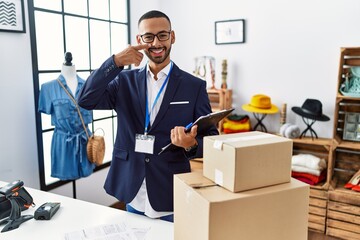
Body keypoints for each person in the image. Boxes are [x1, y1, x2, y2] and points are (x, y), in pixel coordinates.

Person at [77, 10, 218, 222]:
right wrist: (114, 62)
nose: (156, 43)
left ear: (172, 36)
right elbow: (85, 99)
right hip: (132, 186)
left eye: (162, 35)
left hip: (170, 188)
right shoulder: (123, 81)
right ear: (139, 40)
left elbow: (210, 138)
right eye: (148, 37)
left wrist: (190, 144)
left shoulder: (194, 86)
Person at [38, 53, 95, 180]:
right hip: (63, 142)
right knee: (66, 175)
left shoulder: (87, 86)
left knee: (85, 172)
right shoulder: (48, 88)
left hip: (85, 140)